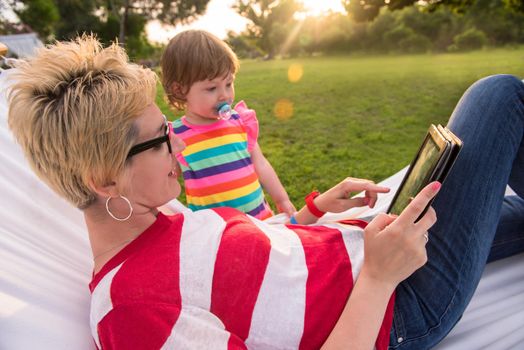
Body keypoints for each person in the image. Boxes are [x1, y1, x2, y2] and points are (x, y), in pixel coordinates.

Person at [6, 35, 524, 350]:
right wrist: (378, 278)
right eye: (163, 140)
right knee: (499, 95)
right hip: (399, 308)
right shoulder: (134, 311)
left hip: (370, 249)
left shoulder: (159, 215)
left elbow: (252, 258)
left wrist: (313, 211)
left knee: (508, 210)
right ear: (103, 180)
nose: (180, 149)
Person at [160, 30, 296, 220]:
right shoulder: (177, 137)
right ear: (180, 90)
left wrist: (281, 199)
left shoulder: (240, 122)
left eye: (228, 83)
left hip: (260, 219)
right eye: (212, 88)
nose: (224, 95)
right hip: (218, 233)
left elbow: (261, 164)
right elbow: (166, 179)